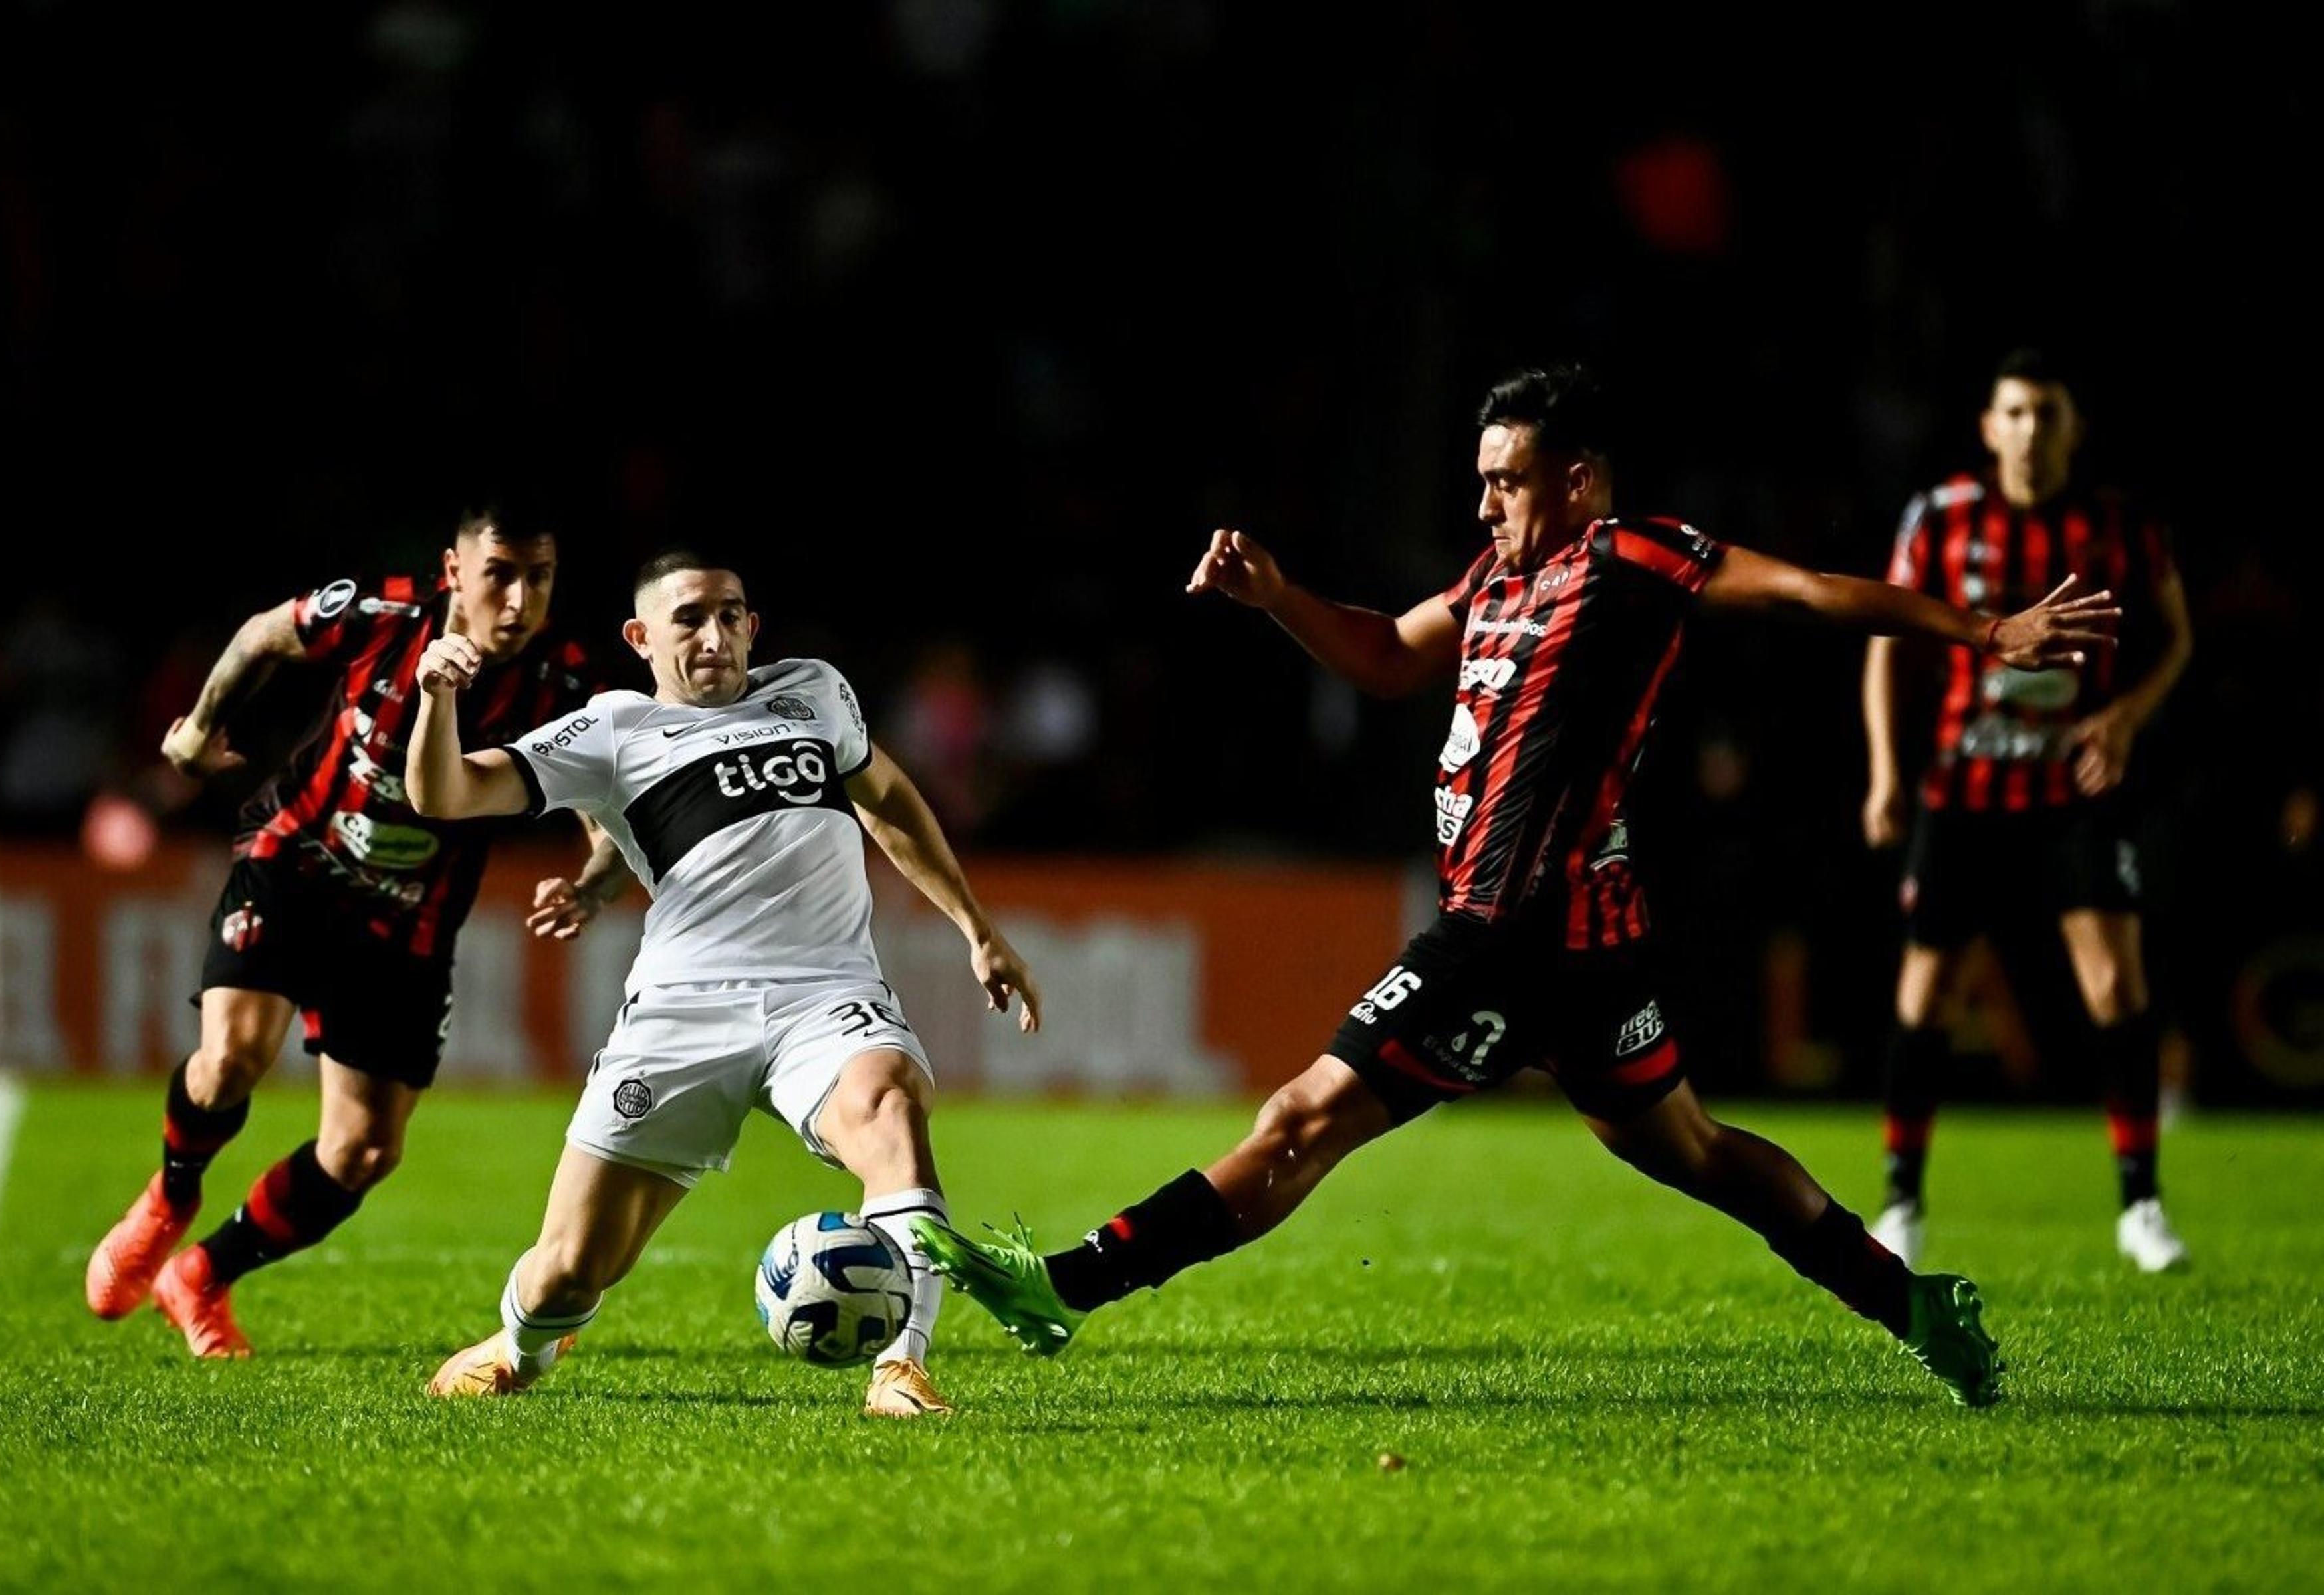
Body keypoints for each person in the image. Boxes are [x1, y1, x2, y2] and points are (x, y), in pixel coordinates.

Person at [915, 364, 2121, 1409]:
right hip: (1580, 950)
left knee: (1300, 1121)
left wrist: (1984, 633)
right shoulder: (1493, 580)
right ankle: (1918, 1308)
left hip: (1510, 935)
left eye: (1509, 480)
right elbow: (1387, 656)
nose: (1486, 501)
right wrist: (1279, 598)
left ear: (1580, 479)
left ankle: (1067, 1286)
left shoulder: (1630, 556)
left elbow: (1807, 592)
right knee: (1694, 1151)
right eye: (1483, 479)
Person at [406, 550, 1041, 1418]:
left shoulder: (813, 692)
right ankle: (521, 1345)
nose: (716, 634)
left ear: (753, 625)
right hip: (683, 1012)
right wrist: (436, 700)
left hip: (826, 992)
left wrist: (978, 929)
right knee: (570, 1267)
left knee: (891, 1106)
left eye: (731, 614)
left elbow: (887, 799)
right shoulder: (612, 729)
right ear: (640, 637)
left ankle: (900, 1368)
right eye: (690, 618)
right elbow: (445, 791)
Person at [84, 510, 618, 1357]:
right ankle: (168, 1200)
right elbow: (265, 634)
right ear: (454, 568)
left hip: (410, 922)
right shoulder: (385, 615)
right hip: (297, 861)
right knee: (231, 1055)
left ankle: (201, 1275)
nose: (519, 600)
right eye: (500, 574)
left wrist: (593, 882)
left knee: (365, 1150)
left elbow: (601, 797)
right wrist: (195, 728)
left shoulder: (566, 680)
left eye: (540, 578)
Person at [1862, 349, 2194, 1272]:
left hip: (2074, 792)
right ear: (1988, 426)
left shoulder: (2119, 525)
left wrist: (2126, 716)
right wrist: (1887, 771)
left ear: (2073, 427)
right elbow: (1887, 644)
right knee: (1924, 994)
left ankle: (2141, 1206)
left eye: (2049, 413)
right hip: (1963, 791)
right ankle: (1902, 1202)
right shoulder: (1942, 517)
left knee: (2115, 987)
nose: (2032, 430)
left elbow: (2178, 636)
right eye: (2016, 412)